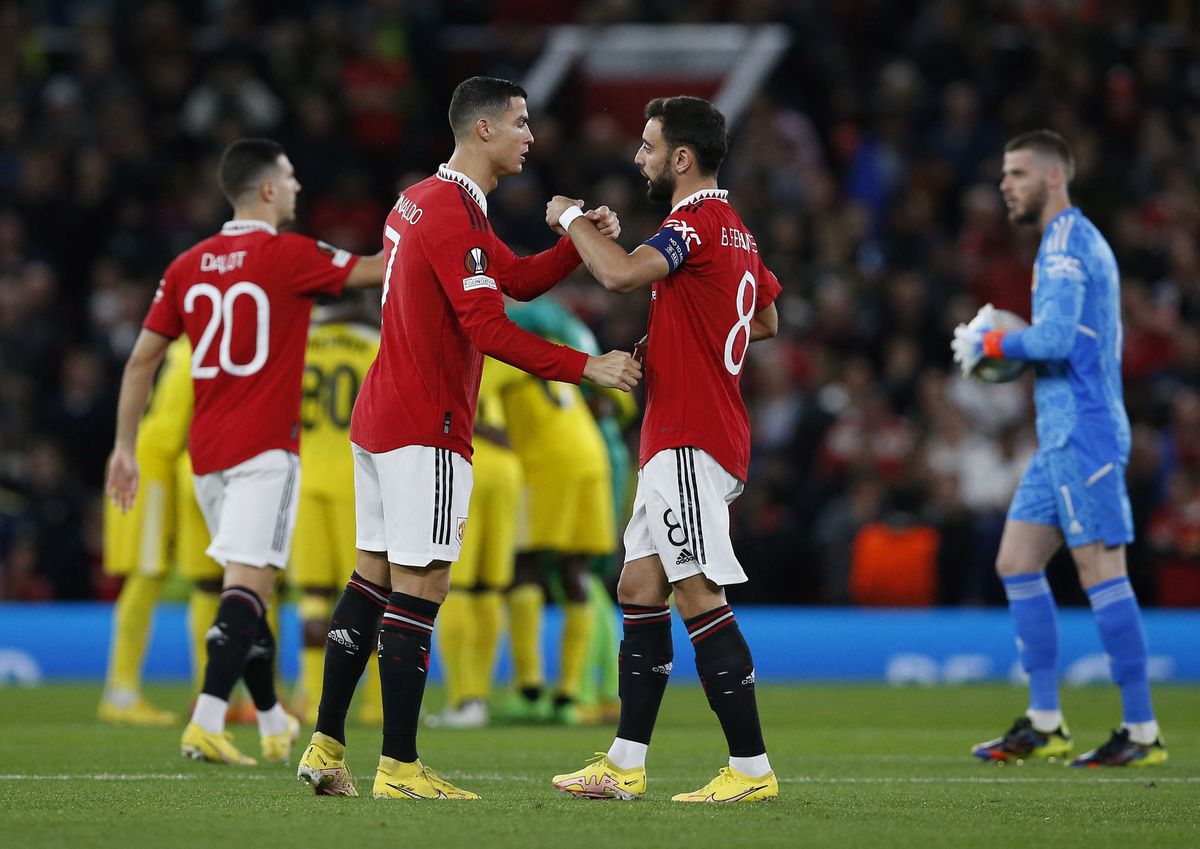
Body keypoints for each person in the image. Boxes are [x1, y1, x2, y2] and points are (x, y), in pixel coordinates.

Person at [294, 76, 641, 801]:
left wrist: (575, 243)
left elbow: (509, 279)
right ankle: (400, 766)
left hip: (380, 416)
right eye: (520, 123)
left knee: (370, 578)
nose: (530, 136)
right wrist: (590, 366)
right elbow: (486, 327)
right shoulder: (453, 212)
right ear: (483, 130)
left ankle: (326, 744)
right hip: (427, 424)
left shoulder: (423, 199)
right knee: (423, 586)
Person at [105, 137, 385, 766]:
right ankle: (205, 720)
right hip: (264, 452)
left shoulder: (188, 264)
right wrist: (419, 227)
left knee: (248, 588)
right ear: (265, 190)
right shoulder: (288, 255)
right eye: (289, 178)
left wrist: (124, 447)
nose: (297, 187)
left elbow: (141, 360)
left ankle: (268, 718)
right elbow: (375, 270)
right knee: (249, 588)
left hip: (205, 456)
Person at [546, 95, 782, 803]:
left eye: (649, 146)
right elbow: (765, 315)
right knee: (639, 588)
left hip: (687, 436)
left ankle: (750, 769)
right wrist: (686, 336)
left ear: (682, 158)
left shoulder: (695, 222)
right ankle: (623, 761)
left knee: (697, 592)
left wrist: (567, 220)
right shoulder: (735, 229)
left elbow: (617, 273)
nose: (641, 157)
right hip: (690, 434)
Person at [951, 129, 1167, 767]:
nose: (1004, 186)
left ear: (1052, 177)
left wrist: (988, 346)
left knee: (1103, 572)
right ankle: (1045, 721)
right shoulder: (1061, 243)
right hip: (1060, 438)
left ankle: (1144, 730)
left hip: (1086, 432)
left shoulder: (1068, 245)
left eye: (1015, 174)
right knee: (1016, 560)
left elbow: (1057, 342)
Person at [291, 296, 383, 727]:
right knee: (373, 594)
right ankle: (376, 705)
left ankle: (310, 700)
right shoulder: (368, 341)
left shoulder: (301, 344)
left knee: (312, 597)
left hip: (305, 477)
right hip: (354, 476)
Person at [425, 355, 525, 729]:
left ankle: (461, 699)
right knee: (489, 589)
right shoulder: (493, 349)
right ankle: (477, 700)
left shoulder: (433, 349)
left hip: (465, 459)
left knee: (458, 587)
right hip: (507, 468)